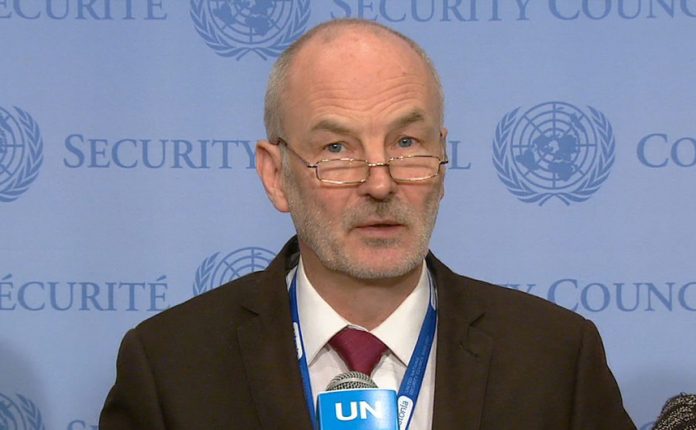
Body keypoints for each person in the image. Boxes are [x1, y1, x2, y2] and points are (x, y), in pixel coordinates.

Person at [99, 19, 635, 429]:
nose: (380, 183)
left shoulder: (555, 356)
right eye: (337, 149)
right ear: (276, 175)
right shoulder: (170, 366)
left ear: (442, 160)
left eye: (406, 143)